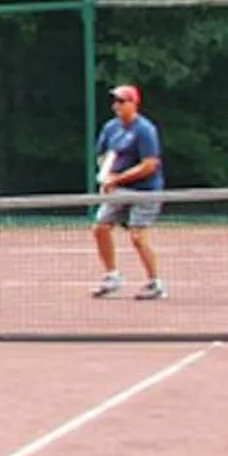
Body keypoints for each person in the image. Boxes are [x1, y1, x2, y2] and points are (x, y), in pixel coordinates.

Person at [92, 83, 165, 300]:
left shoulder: (145, 129)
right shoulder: (110, 128)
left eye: (122, 101)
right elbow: (103, 156)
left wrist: (117, 179)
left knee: (137, 236)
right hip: (119, 189)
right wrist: (105, 176)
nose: (117, 106)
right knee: (100, 228)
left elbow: (149, 165)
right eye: (115, 101)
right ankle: (111, 276)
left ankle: (154, 283)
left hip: (146, 191)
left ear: (134, 104)